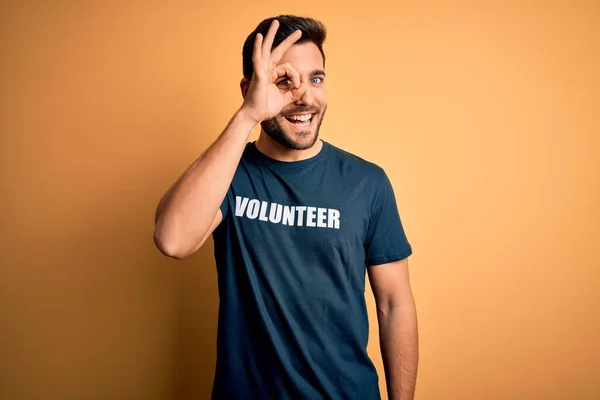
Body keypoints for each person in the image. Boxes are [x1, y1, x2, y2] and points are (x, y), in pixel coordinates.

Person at [154, 15, 418, 400]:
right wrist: (248, 115)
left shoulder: (367, 182)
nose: (305, 97)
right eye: (284, 81)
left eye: (316, 78)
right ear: (250, 88)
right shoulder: (228, 174)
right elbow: (172, 239)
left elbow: (395, 304)